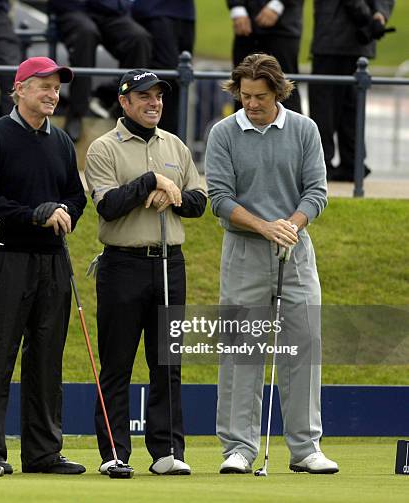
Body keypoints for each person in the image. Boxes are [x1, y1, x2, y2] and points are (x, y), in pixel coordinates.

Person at [205, 53, 338, 475]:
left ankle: (305, 449)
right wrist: (265, 227)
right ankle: (239, 449)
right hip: (244, 252)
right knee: (242, 352)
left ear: (278, 92)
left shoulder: (304, 129)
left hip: (294, 250)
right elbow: (220, 200)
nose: (252, 104)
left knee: (302, 348)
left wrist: (290, 226)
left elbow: (316, 191)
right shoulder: (223, 133)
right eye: (245, 96)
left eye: (260, 96)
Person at [0, 57, 87, 475]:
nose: (53, 95)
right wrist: (37, 213)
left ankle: (42, 453)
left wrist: (63, 210)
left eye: (56, 88)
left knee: (47, 361)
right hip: (5, 260)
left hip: (53, 261)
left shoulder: (62, 142)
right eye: (44, 87)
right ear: (19, 89)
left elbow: (77, 195)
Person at [85, 69, 206, 475]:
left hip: (170, 263)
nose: (153, 103)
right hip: (123, 264)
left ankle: (168, 452)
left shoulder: (175, 145)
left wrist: (171, 194)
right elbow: (108, 204)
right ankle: (114, 454)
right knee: (117, 364)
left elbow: (197, 200)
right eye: (144, 97)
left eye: (158, 96)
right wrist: (152, 180)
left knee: (167, 364)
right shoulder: (104, 148)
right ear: (124, 102)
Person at [309, 0, 395, 181]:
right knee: (352, 106)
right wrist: (378, 17)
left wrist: (368, 18)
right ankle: (353, 163)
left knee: (325, 106)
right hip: (360, 39)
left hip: (333, 38)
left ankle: (322, 164)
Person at [49, 0, 152, 142]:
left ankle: (127, 111)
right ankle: (77, 113)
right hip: (74, 8)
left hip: (109, 11)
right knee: (86, 33)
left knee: (139, 39)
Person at [131, 0, 195, 135]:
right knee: (166, 74)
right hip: (155, 10)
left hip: (185, 13)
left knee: (179, 78)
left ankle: (168, 142)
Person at [226, 0, 303, 113]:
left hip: (284, 28)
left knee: (286, 90)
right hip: (246, 29)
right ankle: (239, 131)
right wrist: (237, 8)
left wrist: (277, 4)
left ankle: (292, 130)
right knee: (242, 89)